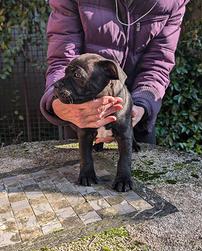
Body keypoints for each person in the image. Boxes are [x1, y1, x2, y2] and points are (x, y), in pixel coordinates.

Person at [40, 0, 190, 145]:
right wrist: (57, 103)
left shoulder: (173, 2)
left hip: (136, 118)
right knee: (79, 169)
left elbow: (158, 63)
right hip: (81, 117)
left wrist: (141, 104)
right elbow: (63, 59)